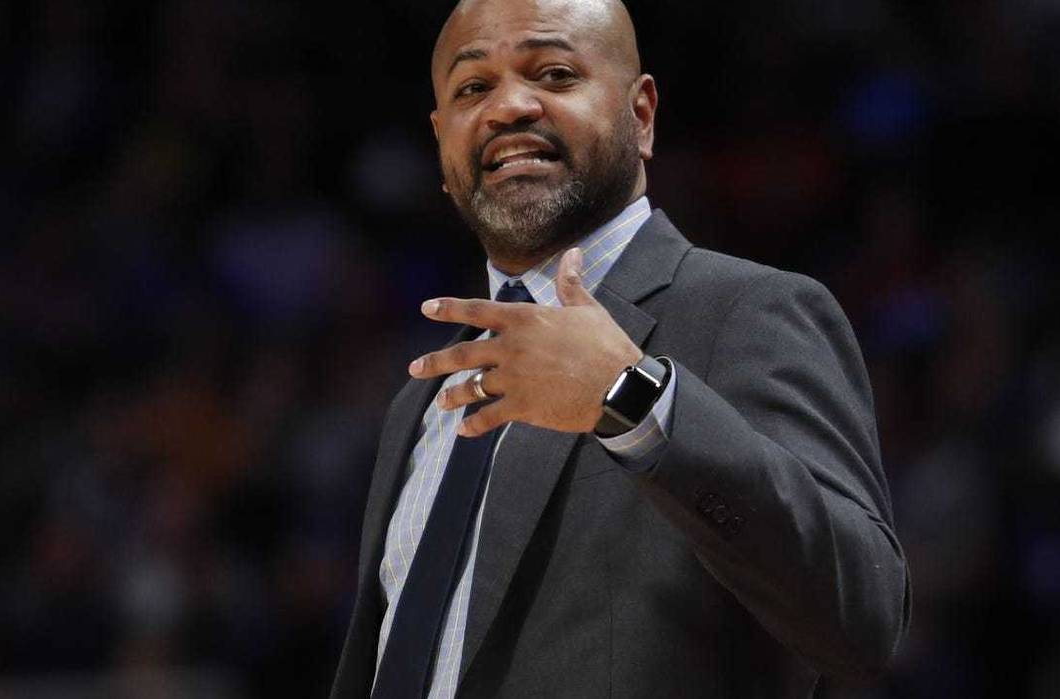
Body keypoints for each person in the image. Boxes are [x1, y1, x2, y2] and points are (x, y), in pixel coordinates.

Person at [331, 0, 910, 696]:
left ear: (641, 115)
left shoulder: (746, 313)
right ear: (440, 142)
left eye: (551, 72)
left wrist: (633, 400)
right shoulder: (418, 404)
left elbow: (862, 620)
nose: (509, 105)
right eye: (472, 88)